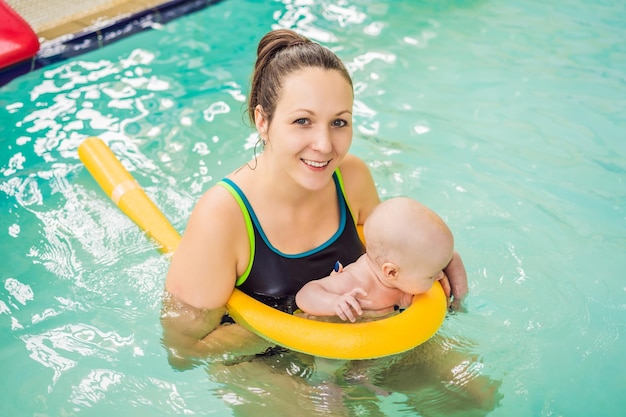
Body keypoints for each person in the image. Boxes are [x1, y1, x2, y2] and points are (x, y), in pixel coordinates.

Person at [161, 28, 468, 365]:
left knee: (478, 397)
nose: (324, 145)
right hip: (264, 364)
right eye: (303, 120)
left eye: (339, 122)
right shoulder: (222, 216)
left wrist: (436, 258)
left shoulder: (351, 178)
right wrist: (305, 323)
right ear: (263, 121)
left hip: (360, 340)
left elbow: (388, 254)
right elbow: (184, 349)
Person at [296, 197, 463, 322]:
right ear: (391, 271)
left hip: (376, 337)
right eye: (431, 276)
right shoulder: (353, 283)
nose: (440, 276)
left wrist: (460, 299)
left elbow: (452, 258)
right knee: (330, 364)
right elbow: (305, 294)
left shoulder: (402, 281)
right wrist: (334, 303)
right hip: (333, 335)